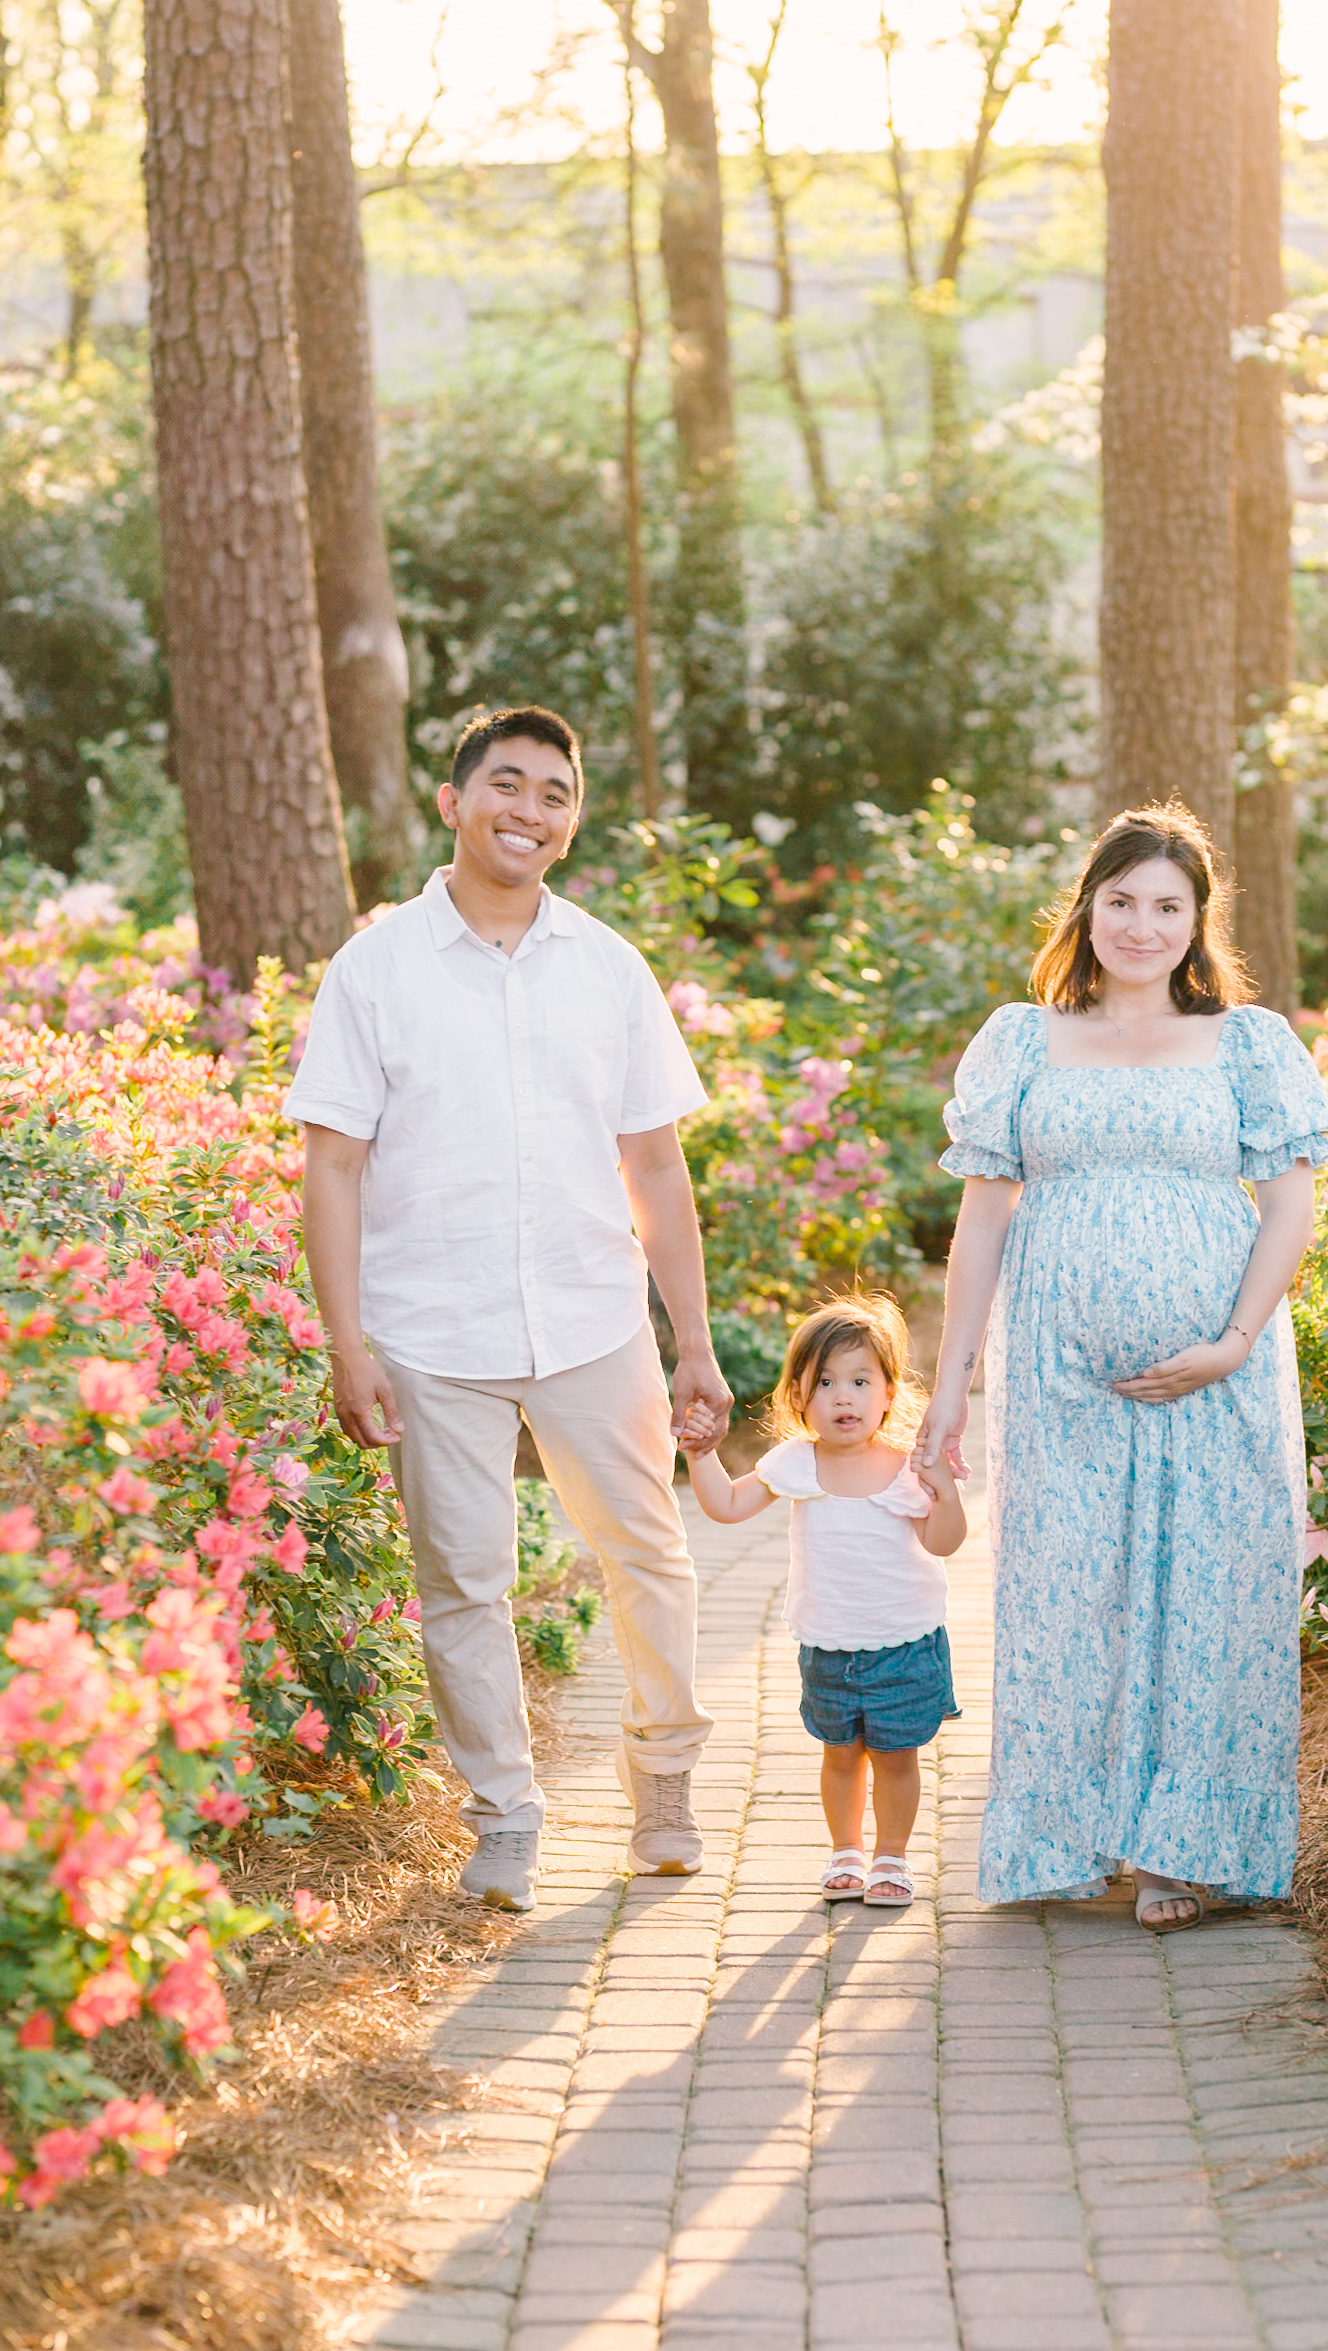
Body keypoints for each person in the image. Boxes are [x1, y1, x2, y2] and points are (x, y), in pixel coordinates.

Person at [286, 704, 733, 1913]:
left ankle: (665, 1781)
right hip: (431, 1330)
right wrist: (348, 1343)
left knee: (649, 1554)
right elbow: (331, 1165)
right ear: (453, 800)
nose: (526, 810)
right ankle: (504, 1815)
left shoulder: (607, 966)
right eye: (505, 784)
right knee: (462, 1580)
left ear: (570, 821)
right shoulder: (374, 968)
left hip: (593, 1319)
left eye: (552, 793)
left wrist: (690, 1339)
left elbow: (652, 1165)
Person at [918, 802, 1328, 1931]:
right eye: (1120, 901)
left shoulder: (1245, 1042)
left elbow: (1290, 1199)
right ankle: (1070, 1835)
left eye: (1167, 906)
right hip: (1058, 1372)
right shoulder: (1022, 1038)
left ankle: (1184, 1850)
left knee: (1207, 1597)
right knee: (1067, 1597)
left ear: (1197, 922)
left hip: (1218, 1366)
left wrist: (1234, 1338)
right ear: (1087, 908)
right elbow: (982, 1221)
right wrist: (948, 1382)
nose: (1141, 925)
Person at [680, 1294, 967, 1908]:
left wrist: (945, 1493)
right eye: (826, 1383)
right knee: (840, 1755)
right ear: (799, 1398)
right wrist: (700, 1456)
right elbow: (726, 1507)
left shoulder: (905, 1468)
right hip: (829, 1644)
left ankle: (891, 1858)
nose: (844, 1396)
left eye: (861, 1381)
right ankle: (846, 1853)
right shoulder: (794, 1462)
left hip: (904, 1642)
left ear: (889, 1393)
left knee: (894, 1758)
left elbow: (943, 1543)